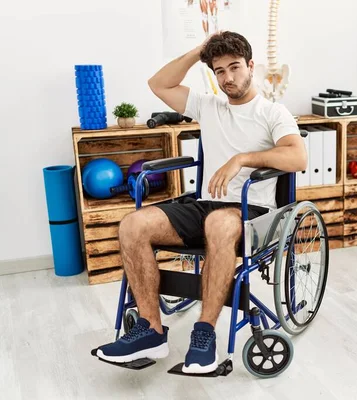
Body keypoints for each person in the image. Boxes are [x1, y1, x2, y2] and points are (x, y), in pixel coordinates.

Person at [95, 31, 306, 374]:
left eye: (235, 67)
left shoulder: (272, 112)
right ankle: (151, 329)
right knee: (133, 224)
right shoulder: (208, 106)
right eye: (219, 70)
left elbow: (297, 157)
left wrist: (241, 159)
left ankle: (204, 333)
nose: (228, 78)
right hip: (205, 205)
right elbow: (159, 84)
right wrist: (200, 51)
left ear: (251, 66)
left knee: (219, 223)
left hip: (251, 212)